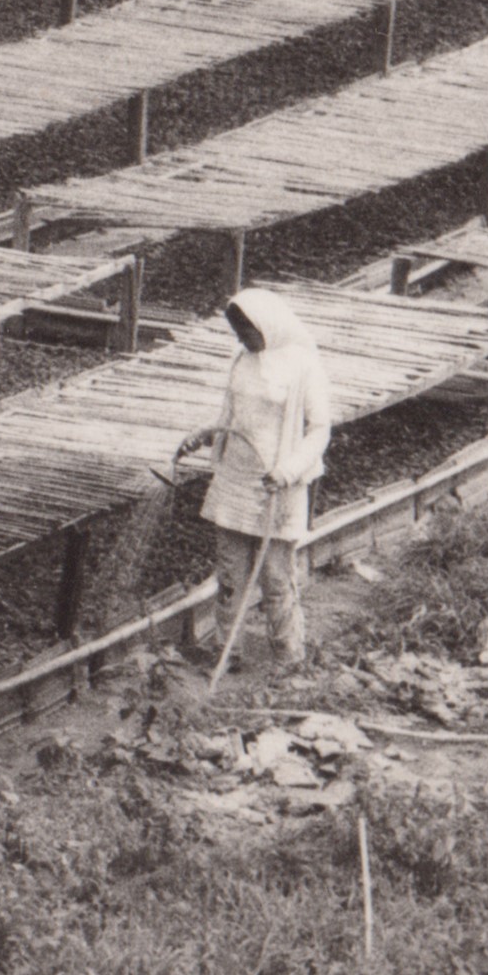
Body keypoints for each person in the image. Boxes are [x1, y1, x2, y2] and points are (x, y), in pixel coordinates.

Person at [193, 288, 341, 686]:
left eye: (248, 330)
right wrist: (205, 435)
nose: (243, 338)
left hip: (278, 487)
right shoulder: (242, 361)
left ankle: (288, 656)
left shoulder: (303, 367)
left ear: (268, 325)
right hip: (235, 481)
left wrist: (288, 470)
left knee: (276, 575)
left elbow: (319, 429)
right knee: (230, 575)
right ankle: (228, 651)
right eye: (238, 330)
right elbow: (231, 415)